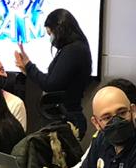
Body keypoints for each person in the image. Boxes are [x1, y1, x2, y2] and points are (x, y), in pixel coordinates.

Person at [14, 8, 92, 136]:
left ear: (59, 30)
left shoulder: (73, 50)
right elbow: (55, 81)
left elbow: (51, 84)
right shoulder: (76, 48)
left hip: (67, 119)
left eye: (50, 33)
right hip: (66, 117)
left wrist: (29, 66)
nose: (51, 38)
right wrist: (28, 69)